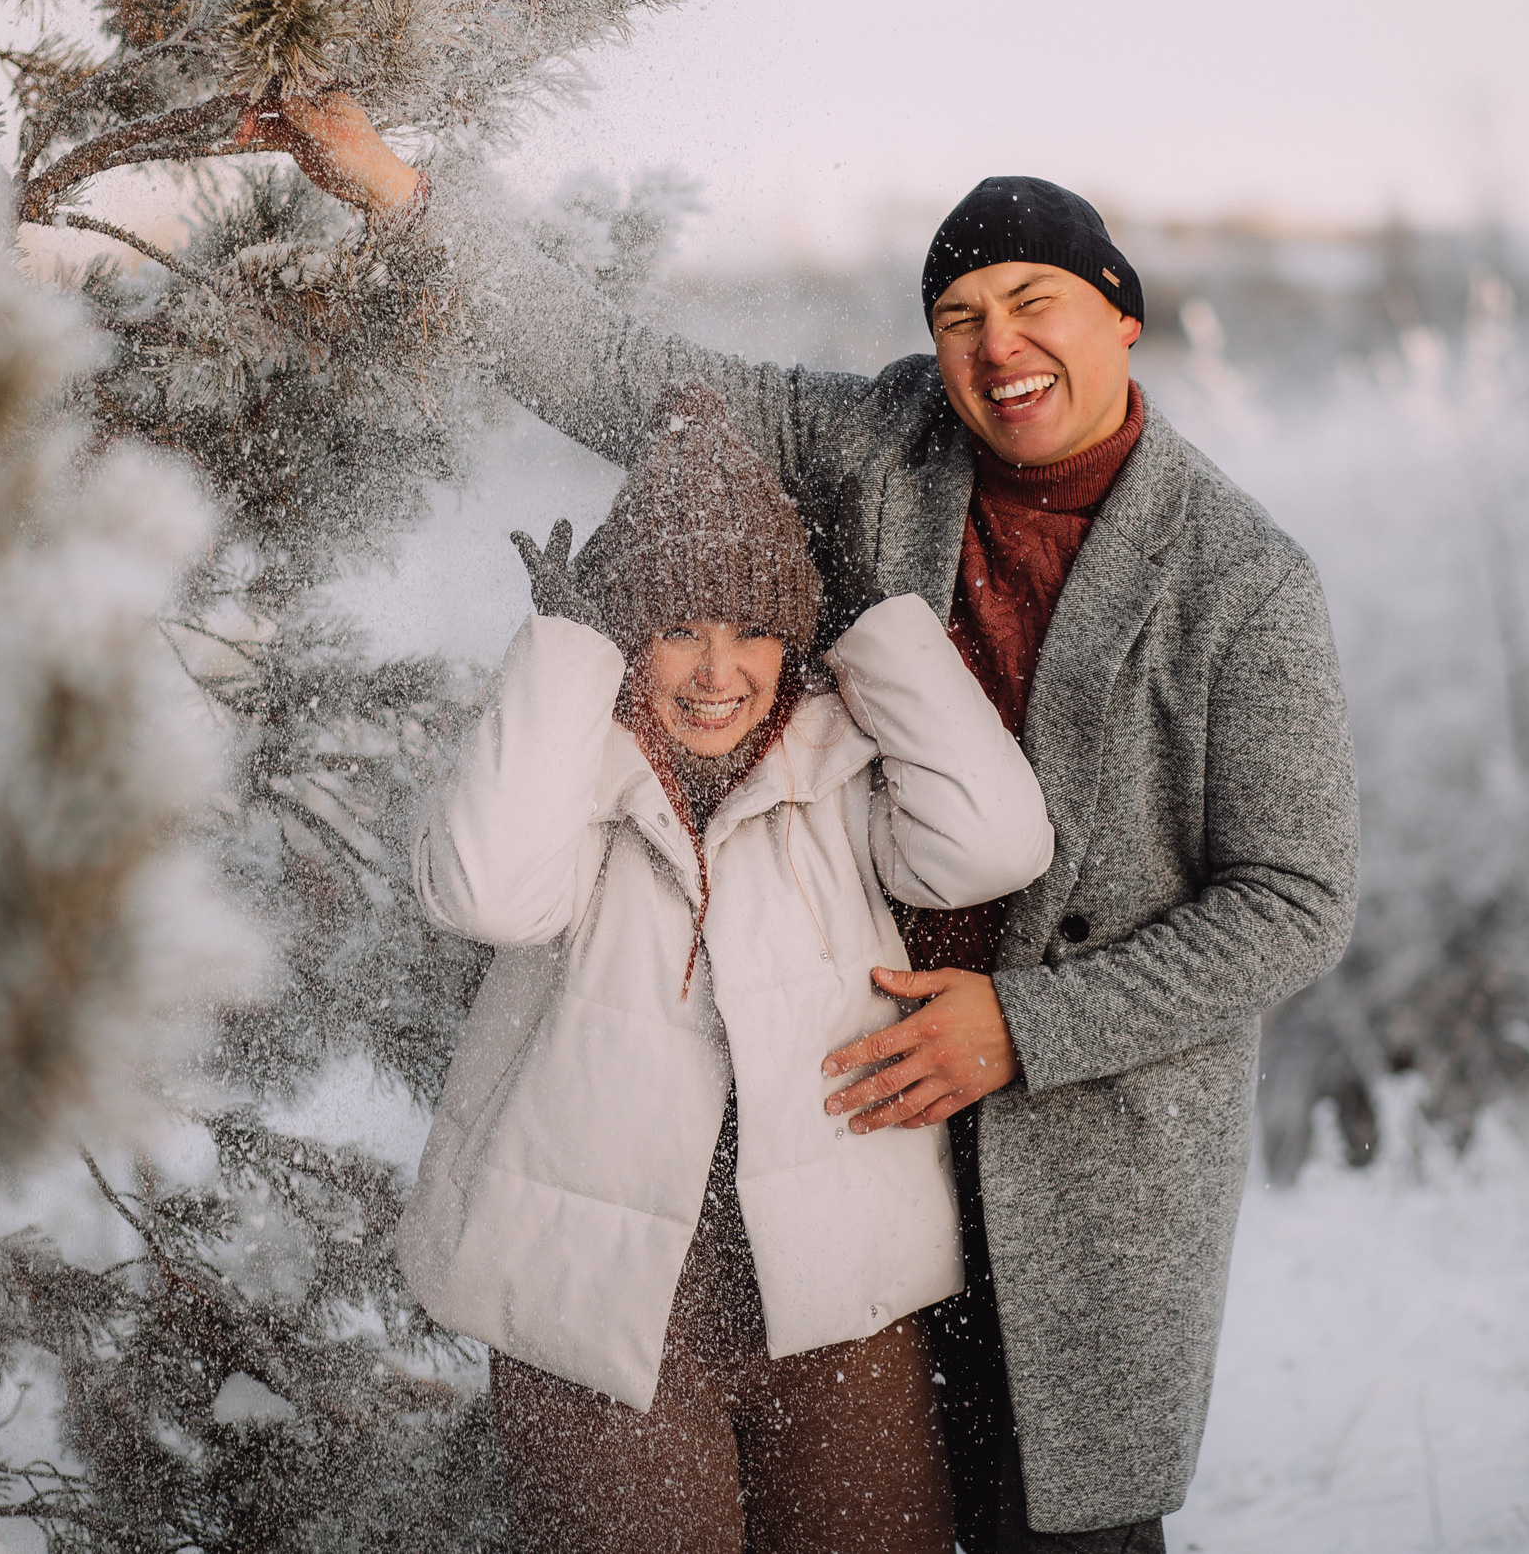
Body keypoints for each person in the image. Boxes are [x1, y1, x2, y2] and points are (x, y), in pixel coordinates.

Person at [251, 100, 1360, 1551]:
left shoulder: (1240, 580)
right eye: (959, 316)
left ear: (1121, 315)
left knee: (1061, 1531)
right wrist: (407, 204)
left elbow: (1293, 897)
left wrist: (1028, 1024)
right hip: (839, 1115)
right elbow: (621, 371)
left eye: (1036, 305)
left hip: (1075, 1138)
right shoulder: (882, 444)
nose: (997, 348)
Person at [403, 384, 1056, 1554]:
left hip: (838, 1299)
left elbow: (998, 841)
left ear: (796, 636)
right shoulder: (569, 764)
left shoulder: (838, 770)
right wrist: (563, 649)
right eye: (678, 626)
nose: (718, 672)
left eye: (754, 627)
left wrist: (877, 622)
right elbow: (484, 893)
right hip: (596, 1317)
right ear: (624, 634)